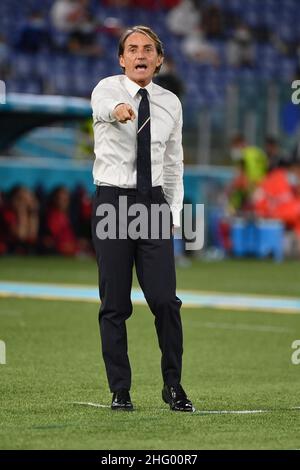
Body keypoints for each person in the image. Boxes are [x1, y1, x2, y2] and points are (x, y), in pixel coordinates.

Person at [91, 25, 194, 412]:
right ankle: (120, 389)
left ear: (158, 59)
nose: (140, 55)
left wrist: (174, 212)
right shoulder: (106, 89)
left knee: (166, 300)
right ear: (121, 59)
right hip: (112, 203)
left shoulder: (171, 103)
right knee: (115, 304)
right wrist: (118, 112)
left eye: (147, 49)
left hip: (153, 205)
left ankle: (173, 386)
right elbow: (102, 108)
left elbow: (174, 163)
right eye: (132, 49)